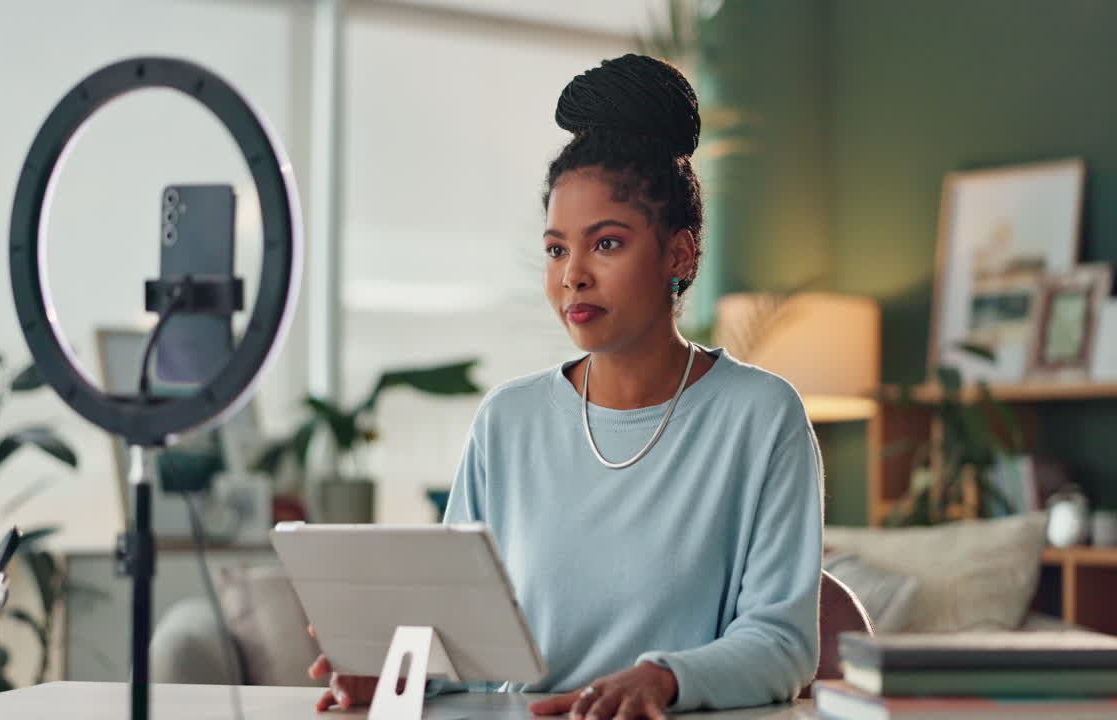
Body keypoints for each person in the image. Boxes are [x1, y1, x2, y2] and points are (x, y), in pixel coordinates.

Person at [308, 53, 824, 719]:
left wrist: (660, 680)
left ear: (680, 252)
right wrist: (393, 677)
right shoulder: (508, 420)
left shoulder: (759, 416)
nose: (573, 275)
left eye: (605, 244)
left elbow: (782, 645)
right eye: (557, 249)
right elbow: (464, 646)